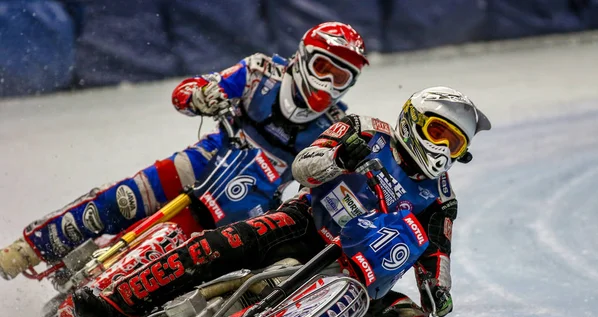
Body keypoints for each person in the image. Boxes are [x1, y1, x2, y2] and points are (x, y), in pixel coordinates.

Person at [72, 86, 491, 317]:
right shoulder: (365, 129)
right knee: (223, 243)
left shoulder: (441, 198)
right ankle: (116, 300)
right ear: (412, 121)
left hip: (360, 276)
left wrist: (437, 287)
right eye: (438, 132)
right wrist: (340, 159)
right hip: (305, 223)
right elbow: (303, 166)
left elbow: (439, 250)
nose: (442, 150)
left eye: (454, 144)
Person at [0, 22, 369, 283]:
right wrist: (201, 96)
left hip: (253, 200)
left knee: (199, 263)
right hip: (206, 159)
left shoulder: (336, 126)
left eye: (340, 77)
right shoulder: (260, 72)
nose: (326, 83)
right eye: (322, 67)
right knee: (119, 199)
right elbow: (189, 90)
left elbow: (330, 185)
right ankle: (27, 250)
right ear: (302, 57)